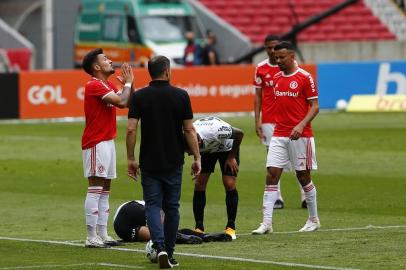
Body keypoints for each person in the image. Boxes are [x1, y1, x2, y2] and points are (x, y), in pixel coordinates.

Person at [126, 55, 201, 269]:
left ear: (150, 72)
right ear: (167, 71)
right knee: (172, 208)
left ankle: (159, 248)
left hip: (149, 160)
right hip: (174, 160)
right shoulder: (181, 95)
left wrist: (131, 158)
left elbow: (131, 128)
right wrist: (197, 157)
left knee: (152, 205)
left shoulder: (139, 97)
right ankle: (170, 252)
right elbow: (189, 129)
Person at [252, 41, 321, 235]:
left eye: (282, 57)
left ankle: (313, 219)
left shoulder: (305, 77)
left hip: (302, 136)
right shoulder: (276, 77)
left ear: (292, 56)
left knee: (303, 176)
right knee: (271, 175)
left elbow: (315, 106)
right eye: (276, 57)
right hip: (279, 134)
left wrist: (300, 125)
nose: (278, 60)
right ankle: (266, 223)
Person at [81, 48, 134, 248]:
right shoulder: (93, 85)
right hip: (96, 142)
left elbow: (129, 102)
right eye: (105, 59)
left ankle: (103, 234)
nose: (110, 60)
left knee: (105, 190)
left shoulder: (107, 84)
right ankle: (91, 235)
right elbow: (121, 101)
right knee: (95, 188)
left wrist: (131, 83)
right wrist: (127, 84)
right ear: (96, 67)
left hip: (107, 141)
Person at [253, 34, 306, 210]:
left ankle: (305, 196)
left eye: (274, 47)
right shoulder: (260, 68)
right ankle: (277, 198)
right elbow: (258, 96)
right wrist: (257, 120)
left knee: (298, 157)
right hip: (269, 119)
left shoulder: (290, 66)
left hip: (289, 118)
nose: (271, 50)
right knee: (274, 159)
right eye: (268, 47)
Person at [191, 117, 243, 240]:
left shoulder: (217, 130)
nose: (188, 153)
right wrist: (196, 159)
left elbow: (240, 134)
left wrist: (231, 157)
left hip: (227, 147)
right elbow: (191, 147)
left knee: (229, 183)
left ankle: (231, 227)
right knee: (199, 183)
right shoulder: (188, 133)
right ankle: (199, 228)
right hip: (207, 149)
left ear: (198, 142)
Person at [113, 200, 231, 244]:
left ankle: (203, 236)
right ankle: (186, 237)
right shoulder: (157, 207)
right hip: (126, 215)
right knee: (160, 233)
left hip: (123, 223)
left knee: (159, 233)